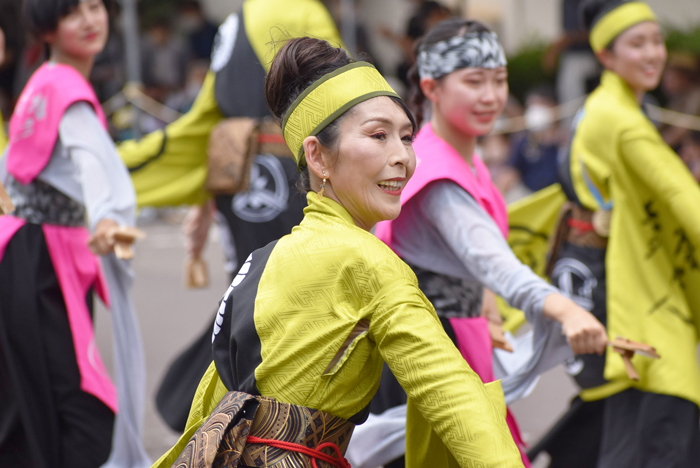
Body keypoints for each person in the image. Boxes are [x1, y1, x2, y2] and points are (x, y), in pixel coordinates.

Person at [152, 36, 525, 468]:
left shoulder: (265, 258)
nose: (402, 156)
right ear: (318, 157)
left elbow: (212, 407)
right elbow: (453, 394)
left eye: (407, 137)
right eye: (378, 135)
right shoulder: (369, 262)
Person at [366, 19, 607, 468]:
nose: (491, 96)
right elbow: (494, 262)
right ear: (432, 87)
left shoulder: (460, 156)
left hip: (449, 343)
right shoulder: (438, 174)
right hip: (422, 356)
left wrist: (487, 304)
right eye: (474, 81)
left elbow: (473, 264)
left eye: (499, 80)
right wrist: (569, 310)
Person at [117, 0, 345, 433]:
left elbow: (209, 113)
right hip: (292, 172)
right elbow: (338, 100)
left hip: (243, 176)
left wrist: (206, 195)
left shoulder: (237, 20)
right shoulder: (301, 11)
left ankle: (226, 409)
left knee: (256, 295)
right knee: (295, 301)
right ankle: (253, 414)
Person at [532, 1, 700, 466]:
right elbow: (684, 198)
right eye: (637, 44)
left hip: (618, 282)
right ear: (605, 56)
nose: (654, 53)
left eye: (657, 40)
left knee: (628, 429)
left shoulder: (610, 106)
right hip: (631, 290)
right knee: (660, 427)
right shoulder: (621, 120)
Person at [0, 0, 150, 467]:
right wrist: (106, 217)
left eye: (95, 6)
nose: (90, 20)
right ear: (47, 27)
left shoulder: (41, 84)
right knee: (76, 404)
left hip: (27, 251)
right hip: (41, 257)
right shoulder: (65, 88)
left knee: (28, 396)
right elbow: (91, 166)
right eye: (73, 12)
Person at [508, 86, 563, 193]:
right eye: (530, 106)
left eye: (538, 105)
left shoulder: (566, 140)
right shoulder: (524, 143)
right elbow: (511, 173)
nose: (534, 111)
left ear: (553, 106)